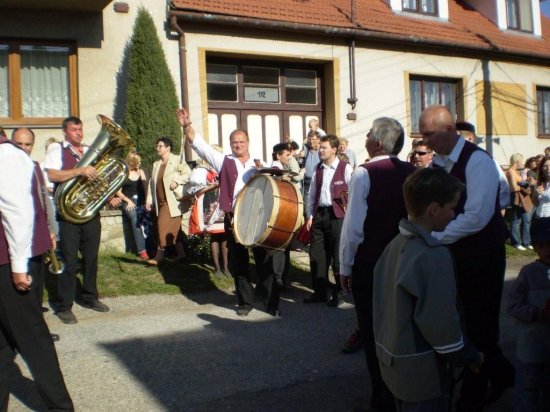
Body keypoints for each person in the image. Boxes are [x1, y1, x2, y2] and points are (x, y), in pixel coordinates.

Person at [419, 105, 513, 411]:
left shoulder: (478, 162)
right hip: (453, 257)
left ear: (448, 130)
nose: (424, 141)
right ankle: (502, 374)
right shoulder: (438, 165)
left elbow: (477, 216)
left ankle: (471, 399)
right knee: (464, 325)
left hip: (482, 258)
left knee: (481, 326)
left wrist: (434, 237)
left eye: (428, 134)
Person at [374, 167, 483, 411]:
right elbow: (440, 322)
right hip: (423, 374)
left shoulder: (395, 244)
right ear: (434, 209)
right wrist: (468, 356)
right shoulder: (433, 255)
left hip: (394, 365)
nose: (455, 215)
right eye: (452, 208)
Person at [339, 117, 416, 411]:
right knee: (401, 327)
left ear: (378, 142)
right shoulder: (412, 172)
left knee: (372, 331)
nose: (366, 135)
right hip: (404, 260)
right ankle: (403, 389)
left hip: (372, 263)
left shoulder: (363, 173)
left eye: (370, 132)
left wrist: (345, 266)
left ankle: (381, 396)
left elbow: (354, 228)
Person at [178, 108, 277, 317]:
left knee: (263, 259)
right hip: (234, 217)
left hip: (258, 217)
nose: (237, 145)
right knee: (239, 261)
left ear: (248, 143)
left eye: (241, 141)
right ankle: (245, 302)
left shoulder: (259, 164)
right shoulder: (224, 160)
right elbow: (201, 147)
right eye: (234, 142)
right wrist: (187, 126)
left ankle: (270, 302)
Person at [0, 129, 73, 410]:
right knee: (4, 346)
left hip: (12, 263)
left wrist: (18, 267)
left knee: (33, 340)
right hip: (9, 262)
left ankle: (61, 408)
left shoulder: (6, 156)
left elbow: (17, 213)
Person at [44, 116, 110, 324]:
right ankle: (64, 306)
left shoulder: (89, 150)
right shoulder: (57, 149)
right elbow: (53, 175)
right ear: (65, 132)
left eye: (80, 129)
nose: (79, 133)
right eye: (74, 130)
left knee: (91, 259)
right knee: (69, 261)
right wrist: (80, 171)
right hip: (68, 215)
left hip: (90, 213)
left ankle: (90, 296)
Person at [507, 216, 550, 412]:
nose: (548, 250)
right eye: (542, 245)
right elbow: (513, 306)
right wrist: (536, 313)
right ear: (534, 246)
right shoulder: (528, 273)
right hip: (531, 349)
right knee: (528, 392)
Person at [303, 134, 352, 306]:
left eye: (324, 148)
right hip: (319, 214)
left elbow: (352, 194)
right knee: (316, 255)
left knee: (337, 256)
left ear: (334, 149)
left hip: (337, 216)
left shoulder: (345, 168)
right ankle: (319, 292)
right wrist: (309, 215)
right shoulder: (318, 168)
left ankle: (339, 294)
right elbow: (312, 194)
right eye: (320, 148)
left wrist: (349, 218)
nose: (320, 150)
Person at [145, 137, 190, 265]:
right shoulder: (156, 164)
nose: (157, 148)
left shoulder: (177, 160)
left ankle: (160, 255)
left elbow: (188, 174)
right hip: (160, 202)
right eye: (157, 146)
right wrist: (149, 200)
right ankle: (181, 254)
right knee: (175, 230)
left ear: (168, 147)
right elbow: (151, 184)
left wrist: (177, 181)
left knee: (161, 226)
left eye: (160, 146)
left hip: (173, 202)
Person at [116, 152, 149, 261]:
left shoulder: (141, 172)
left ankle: (152, 247)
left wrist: (147, 202)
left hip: (140, 200)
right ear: (131, 162)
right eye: (138, 161)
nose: (140, 163)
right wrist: (128, 201)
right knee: (135, 217)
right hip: (127, 201)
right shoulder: (123, 174)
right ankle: (142, 251)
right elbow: (118, 192)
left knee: (148, 217)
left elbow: (146, 190)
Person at [507, 153, 533, 250]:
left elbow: (518, 185)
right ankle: (516, 242)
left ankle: (526, 242)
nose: (522, 162)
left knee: (526, 220)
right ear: (517, 161)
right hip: (516, 197)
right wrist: (525, 184)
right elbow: (514, 188)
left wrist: (524, 182)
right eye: (521, 160)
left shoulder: (515, 171)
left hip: (522, 198)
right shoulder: (510, 171)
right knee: (516, 221)